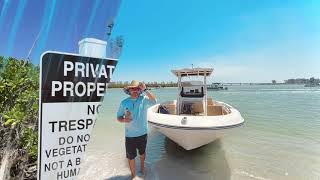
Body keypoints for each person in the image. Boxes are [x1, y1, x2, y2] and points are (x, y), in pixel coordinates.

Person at [117, 80, 157, 179]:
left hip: (143, 133)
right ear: (129, 90)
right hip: (129, 135)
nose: (135, 91)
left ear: (140, 90)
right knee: (131, 157)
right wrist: (124, 120)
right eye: (132, 89)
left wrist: (145, 89)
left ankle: (142, 167)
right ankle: (133, 175)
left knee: (142, 153)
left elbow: (154, 101)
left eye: (137, 89)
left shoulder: (144, 99)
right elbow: (118, 117)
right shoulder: (124, 102)